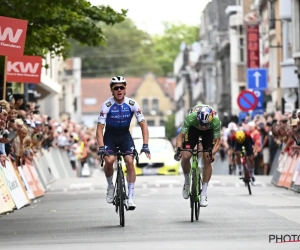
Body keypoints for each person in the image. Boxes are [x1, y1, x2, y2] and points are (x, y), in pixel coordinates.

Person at [96, 76, 151, 210]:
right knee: (109, 161)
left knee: (130, 161)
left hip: (125, 136)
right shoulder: (107, 105)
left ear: (125, 89)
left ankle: (130, 197)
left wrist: (145, 145)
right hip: (110, 136)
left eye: (122, 87)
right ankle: (110, 186)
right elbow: (99, 129)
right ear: (112, 90)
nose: (119, 90)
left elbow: (143, 125)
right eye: (116, 88)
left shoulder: (132, 104)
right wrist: (102, 146)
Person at [174, 104, 222, 207]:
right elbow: (180, 137)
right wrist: (178, 150)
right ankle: (187, 182)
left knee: (207, 159)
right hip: (193, 129)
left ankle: (204, 193)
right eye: (202, 124)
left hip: (209, 133)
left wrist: (211, 153)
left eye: (205, 124)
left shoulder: (215, 121)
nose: (203, 127)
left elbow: (218, 142)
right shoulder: (191, 118)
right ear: (197, 118)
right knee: (186, 156)